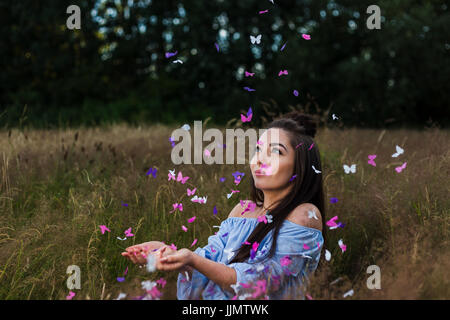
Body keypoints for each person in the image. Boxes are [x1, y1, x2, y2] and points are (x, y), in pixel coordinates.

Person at [122, 111, 326, 299]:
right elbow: (209, 262)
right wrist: (168, 253)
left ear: (302, 165)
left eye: (276, 152)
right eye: (258, 150)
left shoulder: (303, 215)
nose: (259, 160)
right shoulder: (242, 210)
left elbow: (260, 283)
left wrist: (192, 260)